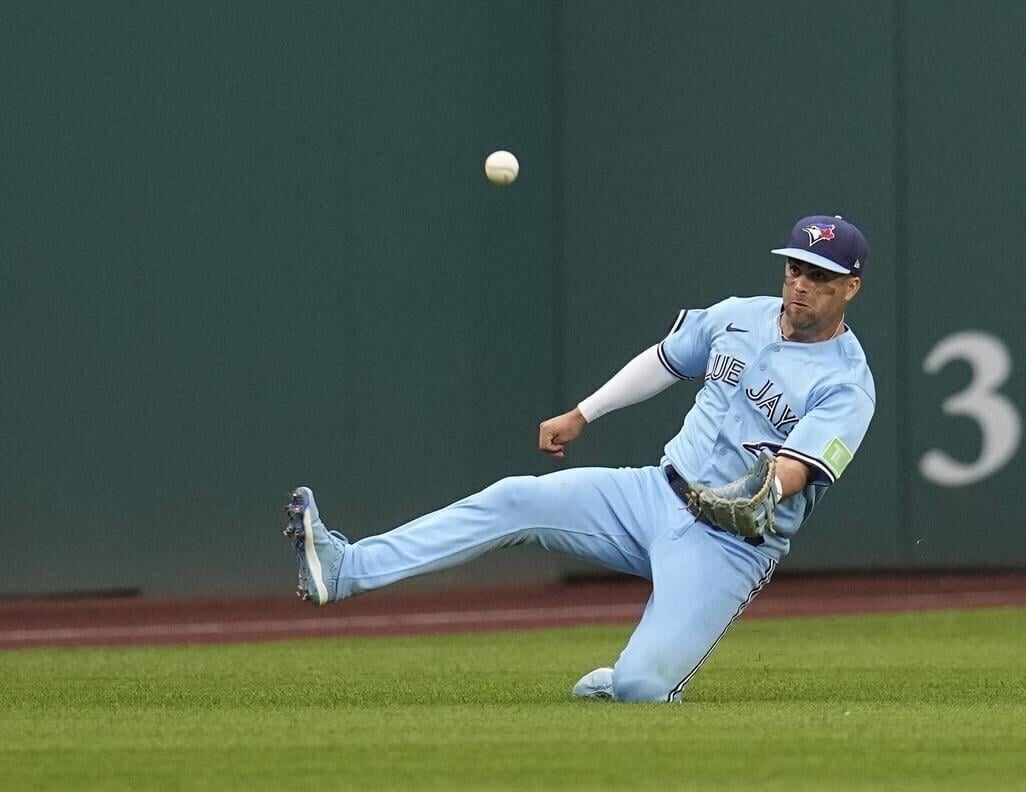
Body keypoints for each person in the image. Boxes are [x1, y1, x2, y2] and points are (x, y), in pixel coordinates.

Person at [282, 214, 876, 703]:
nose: (800, 283)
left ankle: (630, 679)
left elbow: (800, 471)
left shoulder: (848, 384)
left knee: (643, 690)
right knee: (517, 498)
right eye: (795, 268)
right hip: (651, 494)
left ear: (850, 287)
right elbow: (665, 361)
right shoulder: (737, 316)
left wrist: (768, 485)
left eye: (820, 275)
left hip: (726, 544)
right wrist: (583, 413)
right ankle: (345, 568)